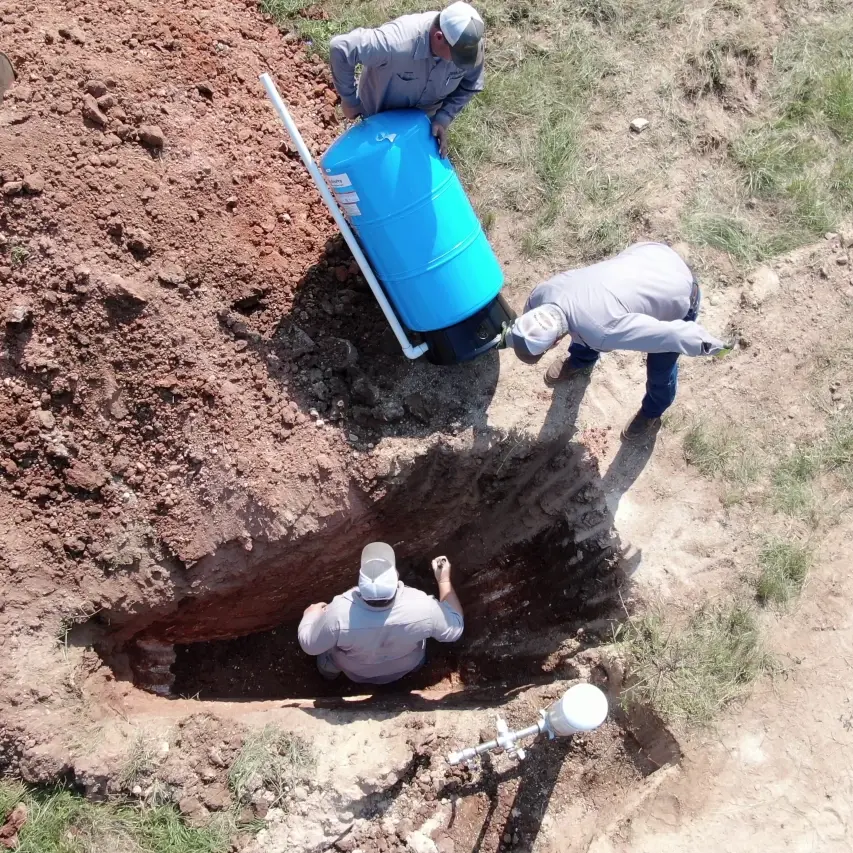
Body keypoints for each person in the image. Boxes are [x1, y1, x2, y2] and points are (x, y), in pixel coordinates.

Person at [504, 242, 728, 442]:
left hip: (681, 292)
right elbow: (579, 323)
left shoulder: (602, 331)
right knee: (584, 330)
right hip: (649, 252)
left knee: (661, 367)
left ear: (554, 344)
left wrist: (714, 347)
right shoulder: (539, 296)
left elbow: (674, 335)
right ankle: (580, 361)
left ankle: (652, 412)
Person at [328, 1, 486, 157]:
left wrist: (444, 117)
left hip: (420, 126)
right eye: (456, 57)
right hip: (374, 122)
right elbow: (341, 48)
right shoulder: (396, 43)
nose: (460, 63)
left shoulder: (469, 46)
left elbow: (469, 85)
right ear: (439, 37)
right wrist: (349, 100)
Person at [297, 542, 464, 685]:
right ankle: (412, 678)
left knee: (327, 655)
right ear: (396, 575)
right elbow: (455, 628)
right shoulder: (423, 606)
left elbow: (310, 646)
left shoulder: (338, 613)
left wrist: (311, 615)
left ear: (360, 582)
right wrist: (443, 580)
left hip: (356, 673)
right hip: (406, 665)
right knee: (419, 649)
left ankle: (328, 678)